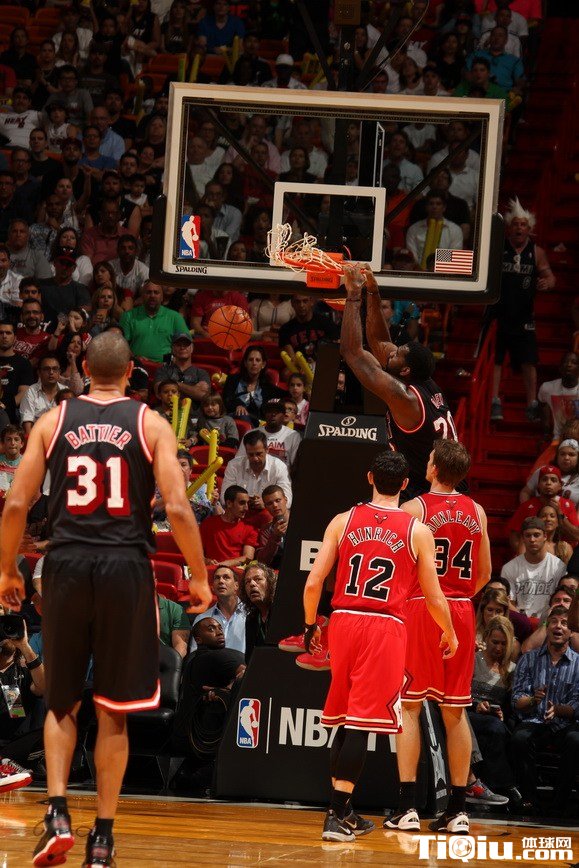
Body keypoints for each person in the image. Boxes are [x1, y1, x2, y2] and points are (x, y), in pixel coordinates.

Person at [0, 330, 211, 868]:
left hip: (67, 565)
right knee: (114, 712)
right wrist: (199, 576)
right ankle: (103, 839)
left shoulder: (52, 420)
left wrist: (6, 570)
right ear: (131, 372)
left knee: (61, 701)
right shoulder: (151, 423)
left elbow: (16, 503)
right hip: (126, 568)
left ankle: (57, 813)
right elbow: (179, 508)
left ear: (85, 369)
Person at [302, 450, 456, 842]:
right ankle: (336, 815)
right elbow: (434, 597)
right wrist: (450, 632)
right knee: (360, 723)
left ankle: (345, 812)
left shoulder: (343, 520)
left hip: (342, 621)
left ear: (370, 477)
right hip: (384, 626)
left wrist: (309, 624)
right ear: (405, 484)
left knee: (344, 718)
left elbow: (313, 582)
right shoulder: (417, 530)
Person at [386, 440, 491, 833]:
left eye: (429, 459)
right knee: (455, 710)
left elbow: (396, 568)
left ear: (433, 469)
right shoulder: (477, 511)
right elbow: (484, 573)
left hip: (421, 607)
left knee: (410, 707)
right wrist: (456, 598)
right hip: (461, 609)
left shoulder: (414, 509)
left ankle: (407, 808)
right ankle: (458, 811)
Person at [340, 264, 457, 498]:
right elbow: (379, 341)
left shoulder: (407, 398)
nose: (390, 352)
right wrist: (372, 291)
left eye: (397, 354)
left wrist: (353, 296)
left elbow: (351, 352)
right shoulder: (425, 381)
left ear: (405, 370)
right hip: (446, 486)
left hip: (428, 492)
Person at [488, 198, 556, 422]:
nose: (519, 228)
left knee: (529, 361)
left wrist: (547, 283)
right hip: (499, 314)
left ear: (529, 229)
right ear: (510, 227)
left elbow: (550, 277)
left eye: (523, 225)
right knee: (496, 360)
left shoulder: (537, 252)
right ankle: (494, 401)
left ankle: (531, 404)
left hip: (524, 316)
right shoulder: (499, 248)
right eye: (516, 224)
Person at [511, 605, 579, 815]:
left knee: (576, 740)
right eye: (554, 622)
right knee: (520, 738)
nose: (558, 627)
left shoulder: (578, 664)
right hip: (535, 721)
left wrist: (558, 710)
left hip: (565, 724)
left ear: (571, 631)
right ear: (547, 627)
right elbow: (517, 698)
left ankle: (560, 803)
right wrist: (533, 700)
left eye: (564, 623)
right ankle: (529, 800)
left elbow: (577, 704)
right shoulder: (529, 659)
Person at [468, 615, 520, 804]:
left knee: (499, 730)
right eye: (495, 642)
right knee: (495, 728)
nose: (498, 648)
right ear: (486, 637)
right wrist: (476, 705)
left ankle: (485, 785)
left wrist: (502, 713)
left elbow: (511, 704)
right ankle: (505, 784)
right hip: (469, 712)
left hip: (493, 719)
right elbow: (460, 693)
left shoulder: (512, 669)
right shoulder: (474, 660)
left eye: (503, 643)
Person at [501, 517, 567, 618]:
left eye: (536, 535)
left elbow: (562, 601)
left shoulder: (558, 567)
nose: (532, 540)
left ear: (545, 536)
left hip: (549, 621)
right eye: (528, 535)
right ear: (523, 538)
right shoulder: (509, 568)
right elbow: (509, 603)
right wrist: (525, 621)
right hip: (520, 621)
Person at [221, 430, 293, 518]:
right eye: (251, 455)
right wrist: (244, 502)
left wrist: (266, 503)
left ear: (267, 450)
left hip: (269, 515)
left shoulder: (279, 467)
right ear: (246, 452)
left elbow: (287, 500)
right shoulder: (234, 465)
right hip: (239, 516)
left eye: (259, 454)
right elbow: (224, 498)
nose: (255, 458)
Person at [508, 464, 579, 550]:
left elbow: (576, 536)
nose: (548, 483)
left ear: (560, 486)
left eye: (553, 480)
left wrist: (560, 513)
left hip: (561, 554)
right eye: (544, 479)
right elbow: (514, 537)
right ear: (538, 485)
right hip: (532, 553)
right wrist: (527, 555)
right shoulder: (526, 506)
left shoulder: (568, 505)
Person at [119, 281, 189, 363]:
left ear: (162, 297)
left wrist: (171, 361)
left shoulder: (175, 317)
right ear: (142, 296)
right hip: (137, 365)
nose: (152, 296)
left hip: (166, 367)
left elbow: (187, 345)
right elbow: (121, 346)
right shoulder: (128, 316)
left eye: (156, 292)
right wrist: (134, 358)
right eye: (148, 292)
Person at [190, 566, 246, 654]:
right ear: (213, 587)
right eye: (217, 578)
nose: (221, 581)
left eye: (226, 577)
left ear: (236, 585)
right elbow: (195, 655)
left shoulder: (251, 614)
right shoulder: (202, 619)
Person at [200, 484, 258, 568]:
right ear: (229, 503)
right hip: (210, 570)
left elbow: (248, 557)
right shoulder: (207, 524)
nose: (246, 508)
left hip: (236, 572)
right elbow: (196, 553)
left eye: (247, 503)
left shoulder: (250, 528)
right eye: (242, 503)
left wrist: (221, 565)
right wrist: (206, 561)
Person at [235, 398, 301, 471]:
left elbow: (296, 467)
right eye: (269, 411)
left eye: (277, 411)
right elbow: (238, 462)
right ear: (265, 414)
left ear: (283, 414)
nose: (273, 414)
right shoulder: (250, 434)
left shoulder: (293, 436)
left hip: (281, 476)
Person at [153, 332, 210, 412]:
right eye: (178, 345)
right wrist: (193, 389)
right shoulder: (163, 370)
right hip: (167, 414)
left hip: (194, 416)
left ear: (192, 348)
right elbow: (158, 391)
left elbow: (203, 395)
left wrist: (171, 384)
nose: (182, 347)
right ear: (172, 348)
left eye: (186, 345)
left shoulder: (201, 373)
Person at [278, 295, 339, 365]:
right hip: (299, 367)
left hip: (323, 364)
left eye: (305, 301)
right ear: (292, 303)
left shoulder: (326, 323)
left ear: (311, 302)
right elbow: (292, 359)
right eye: (297, 302)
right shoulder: (285, 329)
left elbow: (334, 351)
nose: (301, 305)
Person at [537, 351, 579, 443]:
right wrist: (546, 430)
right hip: (559, 438)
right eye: (565, 362)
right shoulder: (547, 388)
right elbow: (542, 404)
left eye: (574, 362)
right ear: (560, 368)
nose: (569, 365)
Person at [19, 354, 67, 435]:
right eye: (46, 369)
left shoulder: (65, 391)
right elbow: (27, 421)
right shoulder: (31, 391)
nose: (51, 372)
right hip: (37, 435)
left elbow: (71, 420)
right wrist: (32, 441)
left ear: (59, 372)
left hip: (61, 436)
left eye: (55, 369)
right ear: (39, 373)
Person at [240, 561, 277, 662]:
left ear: (270, 583)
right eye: (247, 582)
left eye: (258, 579)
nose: (252, 584)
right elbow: (250, 658)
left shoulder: (281, 611)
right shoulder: (251, 619)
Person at [255, 484, 290, 568]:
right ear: (266, 507)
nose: (275, 505)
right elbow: (262, 562)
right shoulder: (266, 529)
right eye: (270, 503)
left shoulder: (301, 521)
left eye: (278, 500)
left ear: (285, 500)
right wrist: (275, 536)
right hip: (277, 571)